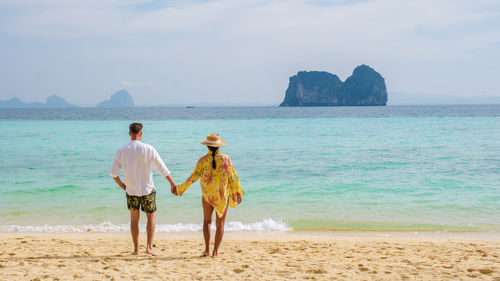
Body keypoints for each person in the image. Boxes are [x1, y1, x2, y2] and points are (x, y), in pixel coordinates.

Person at [110, 122, 177, 256]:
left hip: (131, 191)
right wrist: (172, 184)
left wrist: (123, 185)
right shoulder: (149, 149)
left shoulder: (121, 151)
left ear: (129, 133)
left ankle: (136, 250)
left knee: (134, 220)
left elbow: (114, 174)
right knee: (151, 217)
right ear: (140, 134)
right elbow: (162, 169)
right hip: (147, 190)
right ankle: (149, 248)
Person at [176, 134, 244, 257]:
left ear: (207, 146)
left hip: (207, 195)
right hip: (222, 196)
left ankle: (207, 250)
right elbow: (232, 177)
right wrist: (237, 192)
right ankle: (215, 252)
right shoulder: (226, 159)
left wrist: (180, 189)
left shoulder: (202, 160)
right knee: (220, 225)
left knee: (207, 221)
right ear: (218, 146)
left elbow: (193, 176)